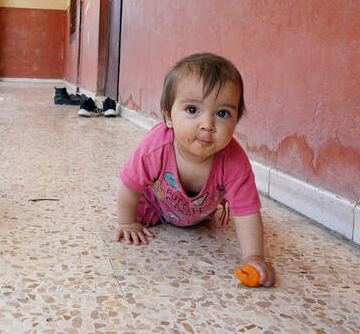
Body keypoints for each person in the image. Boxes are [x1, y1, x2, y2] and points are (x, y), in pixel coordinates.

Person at [114, 52, 276, 286]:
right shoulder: (155, 147)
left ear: (236, 120)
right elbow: (130, 185)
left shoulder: (234, 162)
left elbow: (247, 211)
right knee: (140, 210)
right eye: (192, 110)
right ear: (168, 116)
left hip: (198, 213)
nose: (208, 125)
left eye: (222, 114)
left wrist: (254, 257)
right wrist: (127, 222)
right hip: (155, 204)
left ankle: (193, 216)